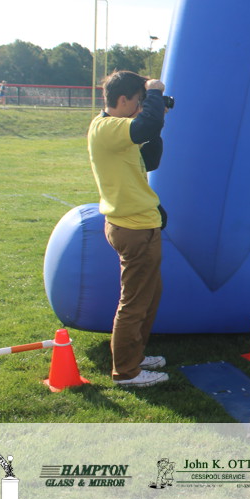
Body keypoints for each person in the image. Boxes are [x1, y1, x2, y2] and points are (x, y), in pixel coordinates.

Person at [88, 70, 170, 387]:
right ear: (123, 100)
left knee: (148, 296)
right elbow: (146, 126)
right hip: (133, 228)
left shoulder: (119, 131)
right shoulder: (108, 127)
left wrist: (158, 117)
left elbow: (150, 160)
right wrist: (156, 93)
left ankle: (134, 356)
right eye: (138, 101)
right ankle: (126, 371)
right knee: (134, 303)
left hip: (138, 223)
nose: (139, 108)